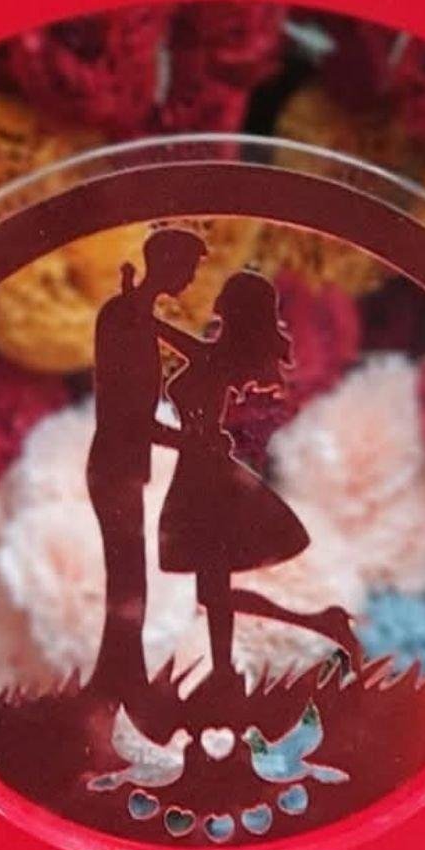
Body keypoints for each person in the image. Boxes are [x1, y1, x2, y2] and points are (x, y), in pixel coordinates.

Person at [157, 270, 359, 694]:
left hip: (205, 475)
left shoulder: (217, 362)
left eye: (222, 308)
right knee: (210, 590)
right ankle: (315, 622)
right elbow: (183, 344)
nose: (215, 312)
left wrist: (156, 434)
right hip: (197, 471)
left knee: (210, 589)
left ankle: (231, 664)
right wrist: (143, 316)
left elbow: (197, 424)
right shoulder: (216, 355)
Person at [86, 227, 207, 696]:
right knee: (127, 579)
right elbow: (127, 413)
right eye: (188, 269)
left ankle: (122, 675)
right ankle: (119, 680)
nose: (191, 280)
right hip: (114, 463)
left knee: (130, 576)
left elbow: (195, 352)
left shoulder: (136, 315)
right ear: (169, 265)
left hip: (126, 464)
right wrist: (187, 441)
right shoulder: (122, 317)